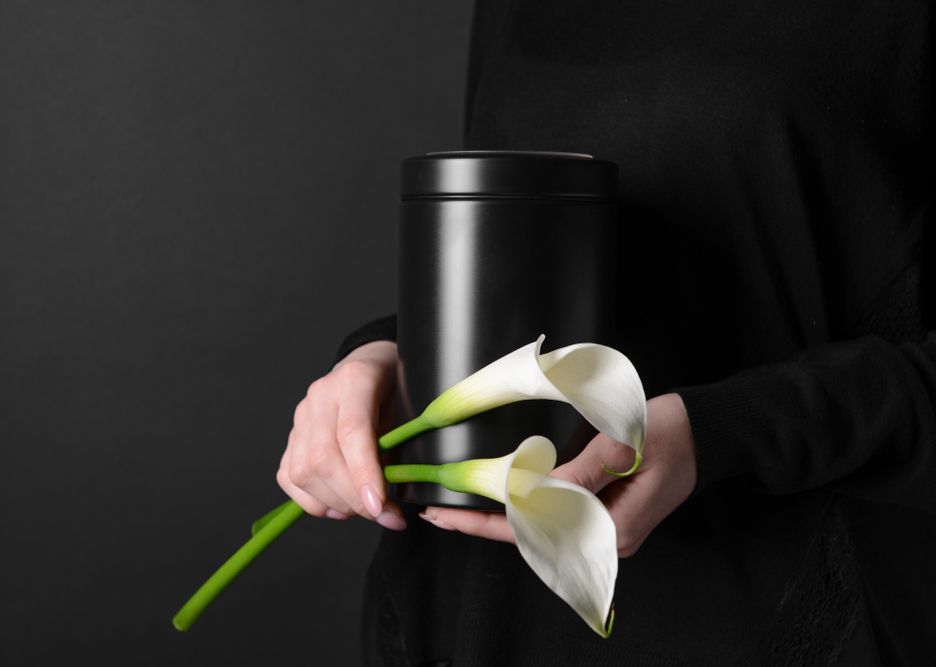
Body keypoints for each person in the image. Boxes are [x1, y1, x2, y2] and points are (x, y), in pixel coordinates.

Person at [277, 1, 934, 664]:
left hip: (776, 608)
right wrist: (389, 355)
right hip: (478, 610)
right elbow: (517, 248)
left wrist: (722, 431)